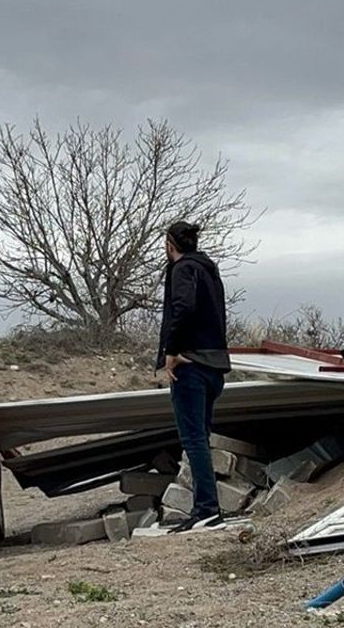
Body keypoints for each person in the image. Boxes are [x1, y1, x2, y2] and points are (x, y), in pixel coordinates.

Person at [156, 221, 232, 533]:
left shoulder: (182, 270)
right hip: (215, 365)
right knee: (201, 437)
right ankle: (208, 507)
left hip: (191, 366)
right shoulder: (209, 271)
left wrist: (171, 351)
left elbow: (182, 308)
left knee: (193, 439)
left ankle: (206, 509)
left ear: (170, 244)